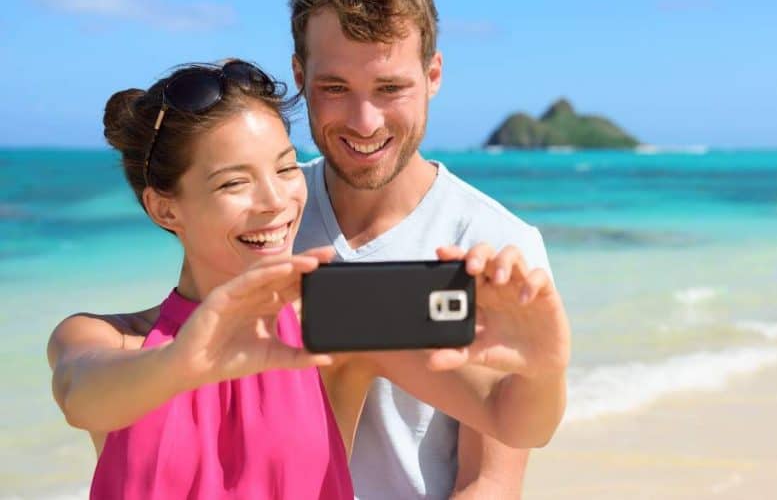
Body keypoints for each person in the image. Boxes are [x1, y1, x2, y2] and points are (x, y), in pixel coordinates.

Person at [47, 60, 570, 499]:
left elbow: (516, 422)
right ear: (165, 209)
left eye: (285, 167)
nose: (276, 201)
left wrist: (543, 367)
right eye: (234, 182)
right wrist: (184, 362)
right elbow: (80, 394)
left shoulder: (334, 327)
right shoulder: (107, 339)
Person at [289, 0, 564, 498]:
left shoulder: (494, 245)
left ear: (432, 74)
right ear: (300, 76)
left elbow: (490, 481)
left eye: (390, 89)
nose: (364, 123)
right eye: (335, 88)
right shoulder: (268, 219)